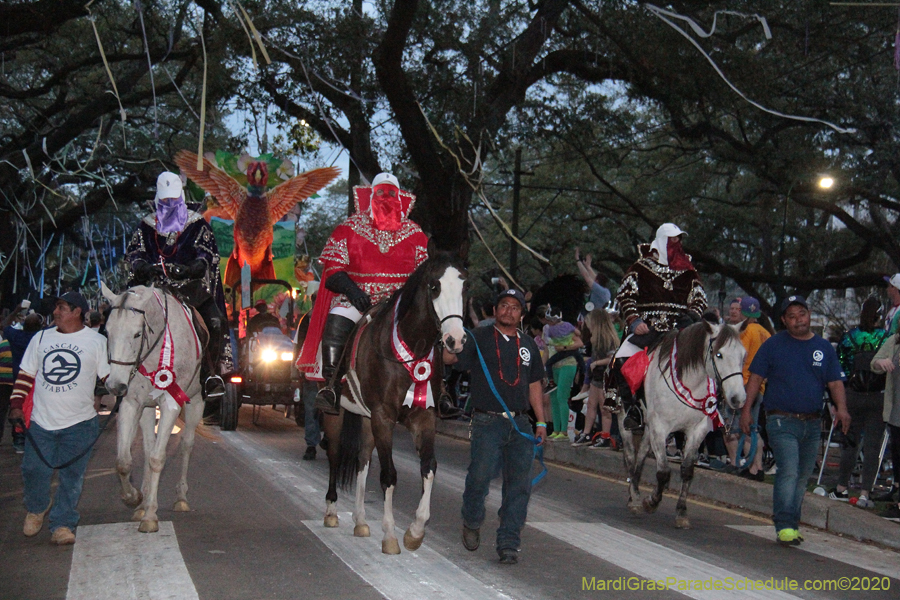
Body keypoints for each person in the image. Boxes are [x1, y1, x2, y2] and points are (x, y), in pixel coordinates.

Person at [297, 173, 434, 415]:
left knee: (434, 327)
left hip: (400, 303)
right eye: (380, 192)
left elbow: (424, 275)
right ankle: (331, 387)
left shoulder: (416, 234)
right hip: (357, 298)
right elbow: (334, 271)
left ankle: (436, 390)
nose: (386, 198)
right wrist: (352, 290)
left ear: (400, 197)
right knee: (337, 319)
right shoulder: (348, 229)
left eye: (391, 193)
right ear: (371, 196)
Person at [444, 289, 546, 565]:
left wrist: (541, 421)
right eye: (504, 305)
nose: (509, 311)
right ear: (495, 310)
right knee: (479, 476)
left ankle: (509, 542)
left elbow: (535, 383)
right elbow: (450, 360)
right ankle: (472, 519)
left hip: (521, 424)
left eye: (515, 307)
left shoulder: (528, 345)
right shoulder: (478, 337)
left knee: (519, 486)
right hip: (487, 421)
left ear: (521, 314)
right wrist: (449, 342)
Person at [741, 295, 850, 546]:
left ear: (809, 314)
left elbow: (835, 382)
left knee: (802, 476)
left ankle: (792, 521)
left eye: (802, 313)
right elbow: (755, 378)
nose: (798, 320)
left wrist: (842, 409)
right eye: (791, 316)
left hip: (812, 423)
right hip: (781, 420)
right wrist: (746, 411)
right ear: (783, 320)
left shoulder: (823, 347)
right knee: (788, 471)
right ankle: (784, 525)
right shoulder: (773, 345)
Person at [6, 292, 110, 545]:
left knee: (72, 478)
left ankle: (63, 524)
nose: (56, 312)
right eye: (56, 308)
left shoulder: (96, 342)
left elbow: (108, 378)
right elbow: (26, 375)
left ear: (77, 312)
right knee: (33, 469)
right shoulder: (41, 338)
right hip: (42, 422)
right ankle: (37, 506)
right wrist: (16, 405)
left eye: (62, 308)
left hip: (81, 423)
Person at [125, 171, 231, 401]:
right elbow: (134, 254)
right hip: (153, 289)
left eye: (173, 200)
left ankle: (209, 375)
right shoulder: (146, 225)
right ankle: (116, 372)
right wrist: (144, 267)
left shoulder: (197, 224)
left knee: (215, 322)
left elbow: (207, 255)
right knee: (121, 319)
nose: (169, 204)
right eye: (165, 201)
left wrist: (189, 268)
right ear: (157, 199)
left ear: (181, 198)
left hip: (189, 289)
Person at [605, 223, 708, 429]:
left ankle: (708, 405)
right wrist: (635, 321)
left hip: (681, 328)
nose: (677, 243)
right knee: (621, 359)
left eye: (679, 239)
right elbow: (625, 295)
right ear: (661, 241)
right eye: (672, 239)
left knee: (710, 357)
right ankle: (632, 407)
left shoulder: (689, 271)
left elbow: (700, 298)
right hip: (648, 328)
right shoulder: (640, 268)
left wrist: (693, 315)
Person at [831, 297, 889, 507]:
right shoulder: (885, 337)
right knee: (873, 447)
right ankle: (865, 493)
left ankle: (841, 487)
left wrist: (839, 400)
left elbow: (840, 368)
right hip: (877, 396)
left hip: (852, 396)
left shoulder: (849, 337)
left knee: (850, 443)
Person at [724, 296, 772, 480]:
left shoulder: (744, 332)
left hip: (742, 384)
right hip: (759, 387)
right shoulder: (765, 332)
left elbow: (736, 358)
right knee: (753, 428)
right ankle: (757, 468)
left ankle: (738, 464)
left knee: (734, 428)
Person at [572, 308, 619, 448]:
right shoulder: (594, 339)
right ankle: (586, 433)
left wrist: (596, 363)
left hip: (606, 376)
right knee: (591, 405)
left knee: (605, 408)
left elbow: (612, 359)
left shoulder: (608, 339)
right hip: (596, 377)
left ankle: (605, 436)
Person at [868, 319, 900, 520]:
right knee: (897, 454)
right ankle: (896, 492)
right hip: (896, 410)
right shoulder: (894, 342)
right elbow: (874, 363)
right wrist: (882, 362)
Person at [3, 307, 44, 453]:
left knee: (17, 407)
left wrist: (15, 312)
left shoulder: (15, 336)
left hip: (17, 378)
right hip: (36, 381)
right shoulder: (42, 338)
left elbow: (5, 325)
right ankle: (33, 437)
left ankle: (18, 439)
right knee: (33, 409)